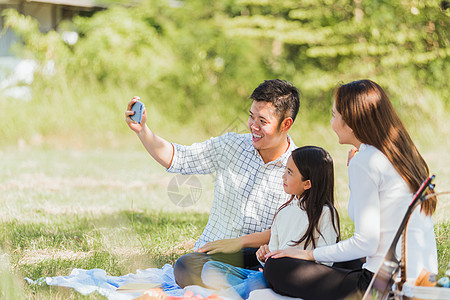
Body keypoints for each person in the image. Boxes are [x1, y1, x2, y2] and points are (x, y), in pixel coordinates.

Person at [263, 79, 438, 300]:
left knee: (276, 267)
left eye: (334, 115)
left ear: (352, 123)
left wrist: (308, 254)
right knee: (337, 257)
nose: (331, 121)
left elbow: (366, 242)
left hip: (383, 287)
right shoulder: (399, 154)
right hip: (421, 279)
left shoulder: (366, 161)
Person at [125, 79, 301, 288]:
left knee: (283, 270)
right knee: (185, 266)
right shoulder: (231, 146)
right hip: (216, 255)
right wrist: (143, 130)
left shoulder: (298, 166)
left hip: (262, 257)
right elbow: (180, 157)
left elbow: (295, 229)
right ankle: (248, 288)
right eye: (251, 116)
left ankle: (242, 286)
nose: (253, 126)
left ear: (286, 124)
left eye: (262, 121)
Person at [200, 146, 340, 299]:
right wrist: (263, 257)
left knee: (256, 280)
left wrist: (294, 260)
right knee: (210, 268)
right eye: (286, 170)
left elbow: (327, 259)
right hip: (272, 274)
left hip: (298, 278)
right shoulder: (284, 212)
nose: (283, 177)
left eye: (290, 172)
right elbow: (272, 256)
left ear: (307, 184)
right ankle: (253, 290)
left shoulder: (325, 213)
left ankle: (222, 296)